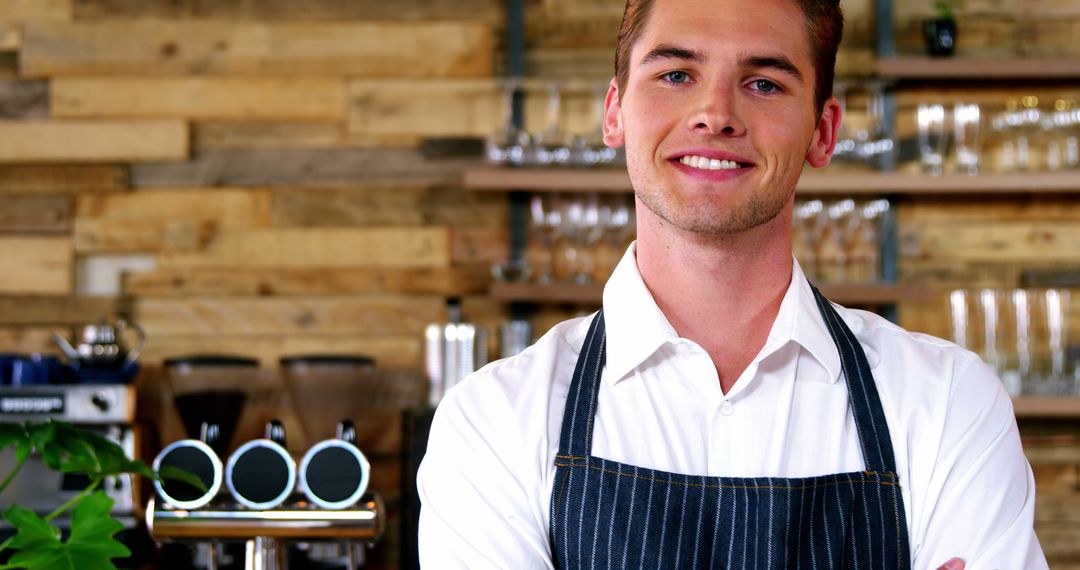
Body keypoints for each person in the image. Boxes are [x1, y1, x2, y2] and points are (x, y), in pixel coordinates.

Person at [417, 0, 1047, 567]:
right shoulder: (492, 423)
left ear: (823, 132)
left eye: (764, 83)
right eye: (676, 75)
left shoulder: (947, 405)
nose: (716, 114)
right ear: (614, 112)